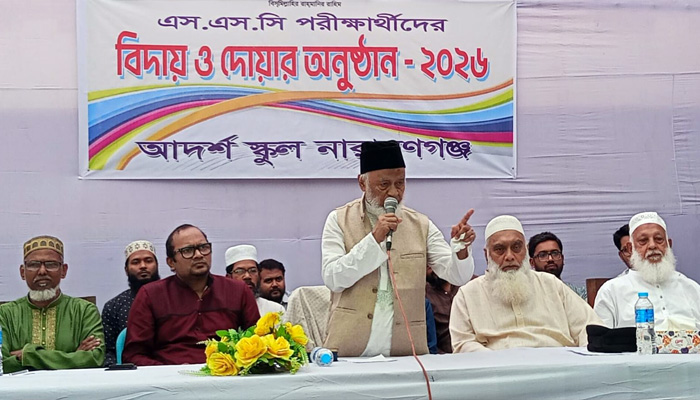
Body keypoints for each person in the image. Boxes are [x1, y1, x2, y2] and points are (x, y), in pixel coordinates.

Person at [321, 140, 475, 357]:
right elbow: (332, 277)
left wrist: (460, 249)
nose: (394, 192)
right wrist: (374, 239)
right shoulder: (338, 220)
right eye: (384, 185)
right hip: (350, 349)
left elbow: (457, 276)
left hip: (406, 351)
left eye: (400, 183)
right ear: (362, 183)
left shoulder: (421, 224)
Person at [450, 216, 602, 352]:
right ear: (487, 254)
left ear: (526, 250)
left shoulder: (551, 284)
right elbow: (463, 343)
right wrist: (498, 364)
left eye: (516, 247)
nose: (509, 256)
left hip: (559, 365)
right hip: (497, 369)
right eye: (500, 249)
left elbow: (590, 327)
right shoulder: (468, 294)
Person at [123, 224, 259, 365]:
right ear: (171, 262)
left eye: (203, 247)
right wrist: (169, 371)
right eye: (187, 251)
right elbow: (133, 355)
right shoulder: (151, 295)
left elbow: (258, 343)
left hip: (228, 373)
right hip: (169, 375)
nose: (199, 255)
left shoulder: (238, 291)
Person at [0, 235, 105, 373]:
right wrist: (74, 357)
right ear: (22, 272)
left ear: (64, 270)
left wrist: (27, 355)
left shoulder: (84, 311)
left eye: (51, 264)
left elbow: (95, 358)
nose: (42, 271)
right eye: (34, 264)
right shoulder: (5, 314)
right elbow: (2, 364)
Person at [594, 212, 700, 328]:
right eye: (643, 241)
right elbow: (601, 337)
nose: (652, 245)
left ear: (669, 245)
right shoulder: (611, 291)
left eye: (659, 239)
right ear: (630, 248)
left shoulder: (691, 288)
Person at [101, 240, 160, 366]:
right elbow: (109, 352)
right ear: (126, 270)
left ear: (157, 265)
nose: (143, 266)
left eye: (148, 261)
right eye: (136, 262)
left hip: (171, 366)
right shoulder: (113, 306)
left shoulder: (173, 299)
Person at [225, 245, 285, 315]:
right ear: (228, 277)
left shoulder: (275, 310)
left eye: (253, 270)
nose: (247, 276)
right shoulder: (219, 309)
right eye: (240, 271)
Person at [527, 232, 587, 300]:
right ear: (532, 262)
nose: (550, 259)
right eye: (543, 255)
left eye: (555, 253)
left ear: (562, 258)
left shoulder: (579, 295)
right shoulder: (526, 297)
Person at [425, 265, 460, 353]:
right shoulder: (423, 294)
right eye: (428, 265)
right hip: (443, 357)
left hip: (477, 351)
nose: (435, 268)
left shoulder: (470, 284)